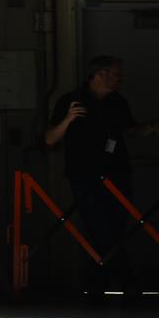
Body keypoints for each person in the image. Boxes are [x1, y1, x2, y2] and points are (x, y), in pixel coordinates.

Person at [44, 55, 157, 300]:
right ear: (99, 74)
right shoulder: (71, 101)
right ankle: (126, 281)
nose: (120, 78)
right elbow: (50, 139)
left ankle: (96, 283)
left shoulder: (118, 102)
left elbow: (131, 130)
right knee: (98, 228)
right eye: (115, 74)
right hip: (85, 174)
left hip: (117, 173)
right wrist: (69, 119)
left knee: (118, 228)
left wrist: (151, 127)